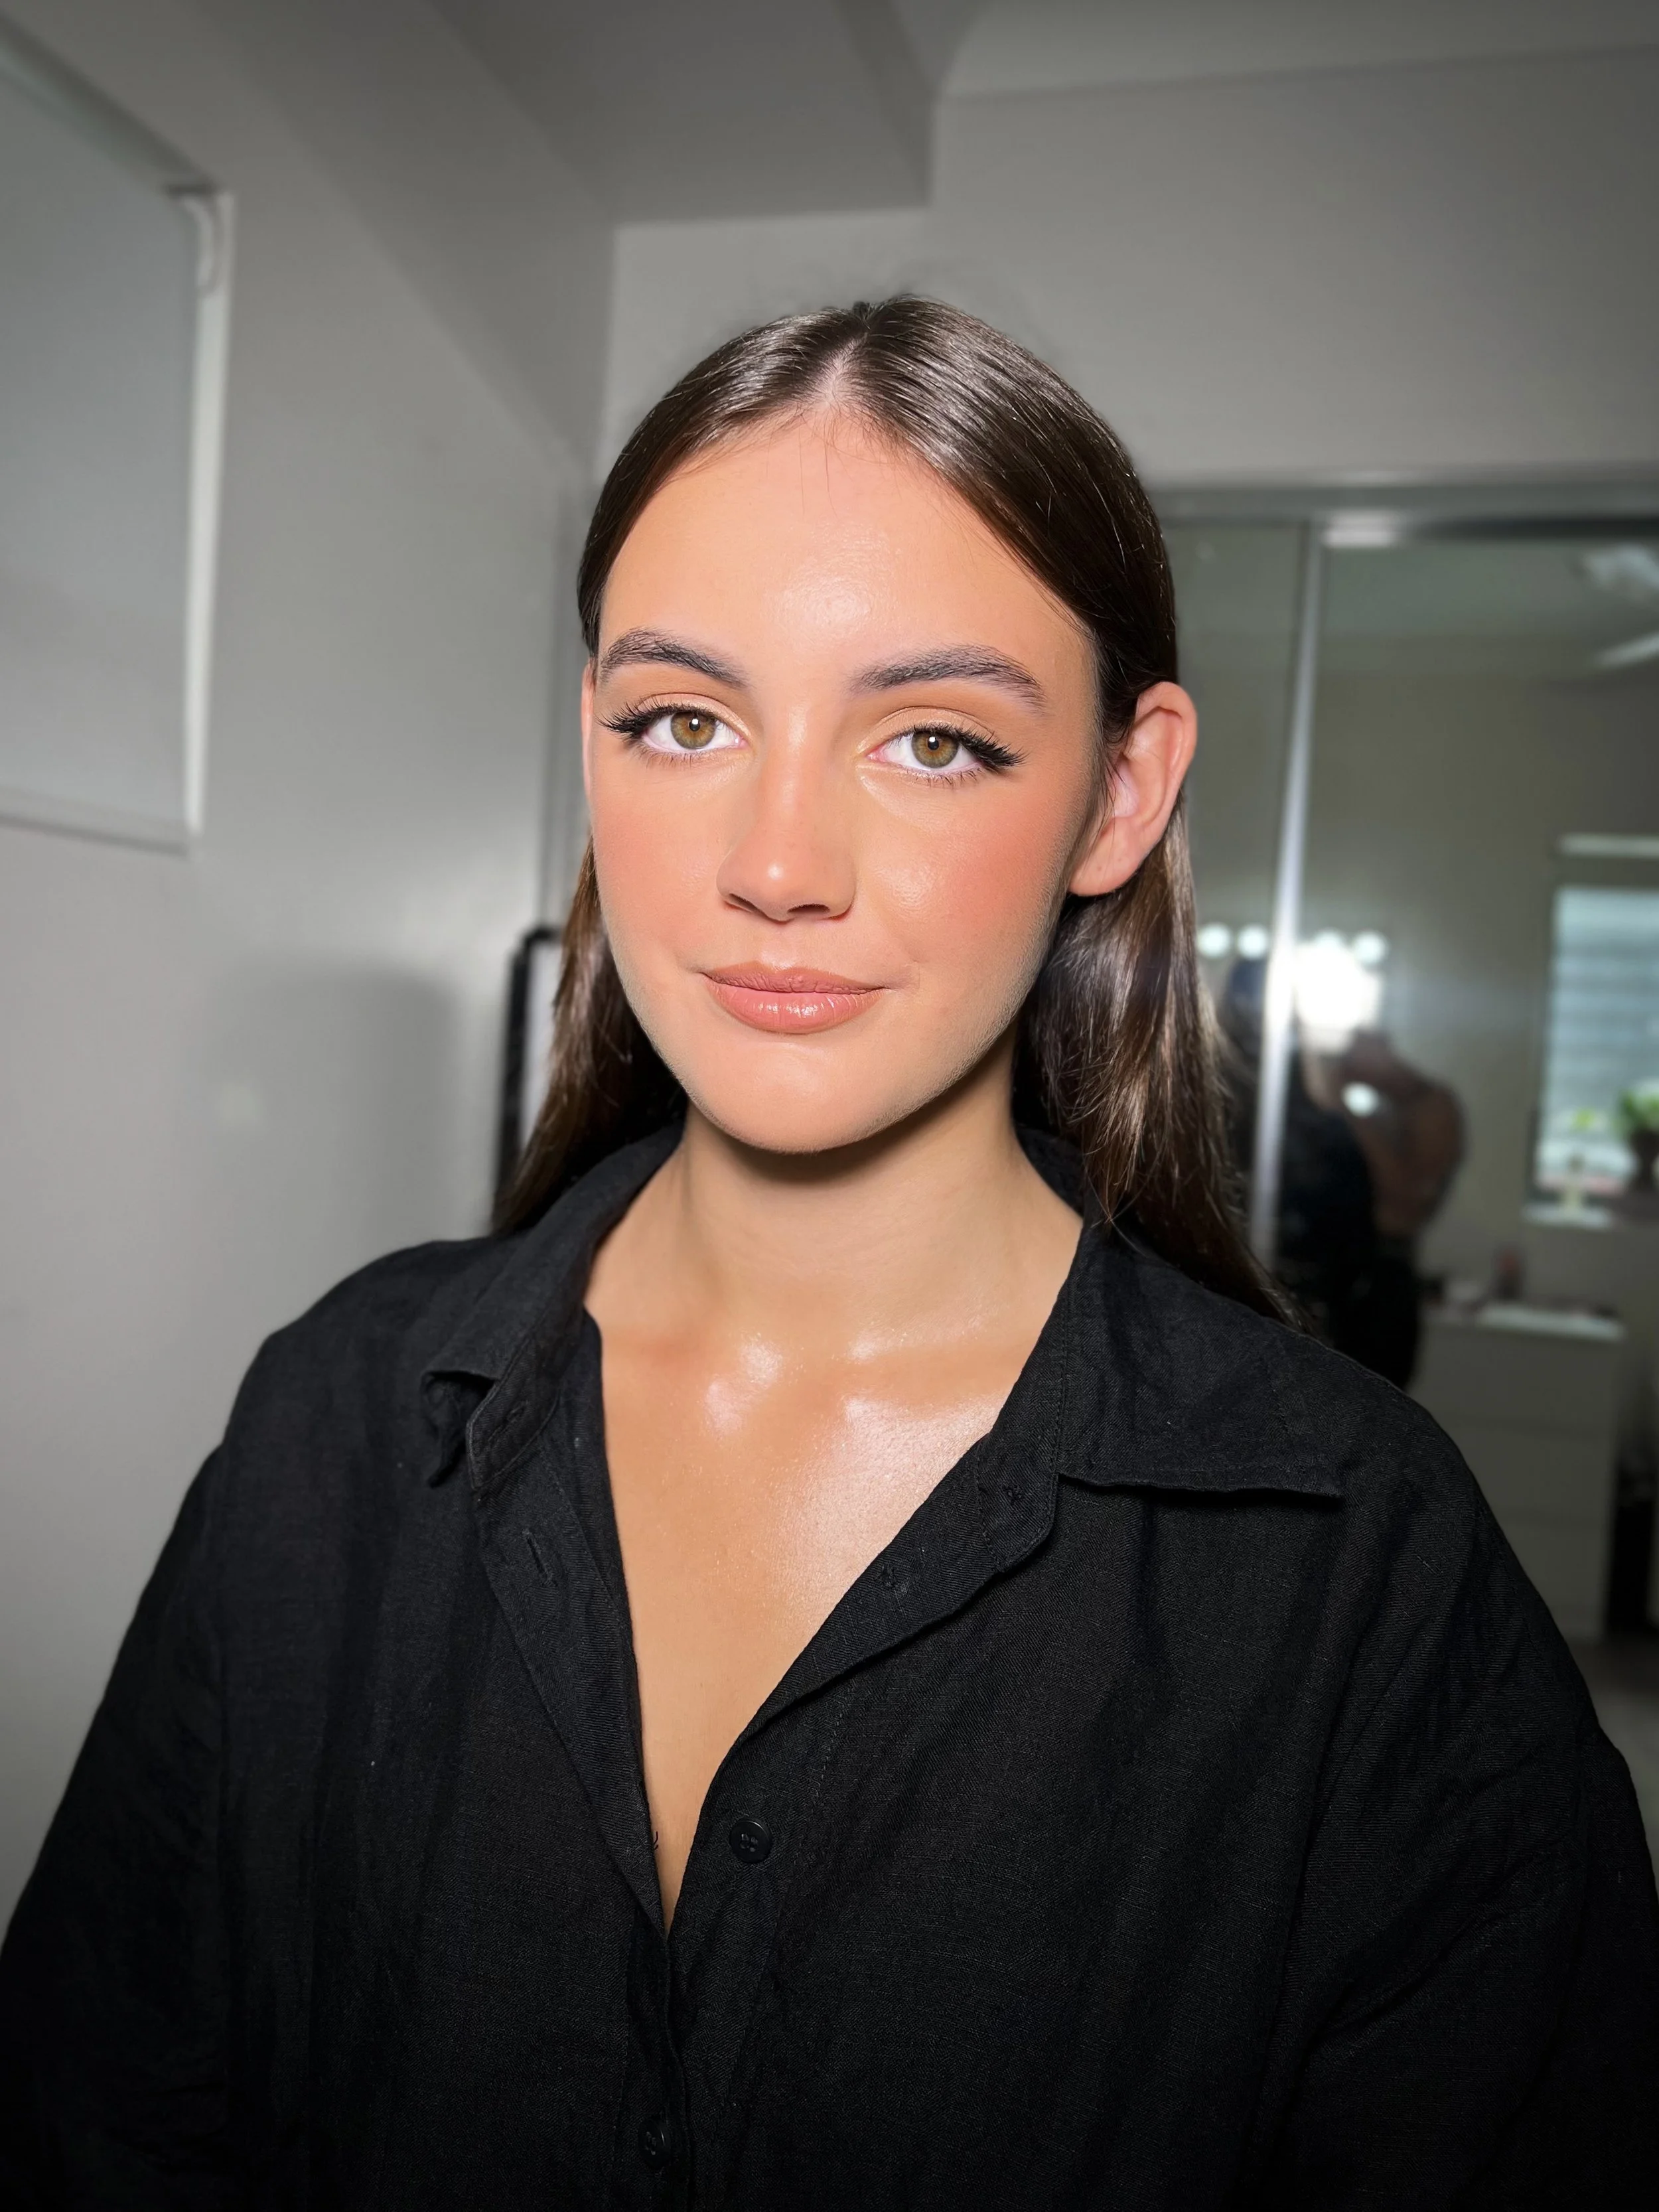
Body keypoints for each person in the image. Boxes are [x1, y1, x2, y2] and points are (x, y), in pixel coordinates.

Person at [2, 301, 1655, 2209]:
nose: (775, 859)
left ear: (1118, 791)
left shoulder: (1352, 1572)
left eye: (934, 739)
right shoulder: (338, 1421)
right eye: (681, 720)